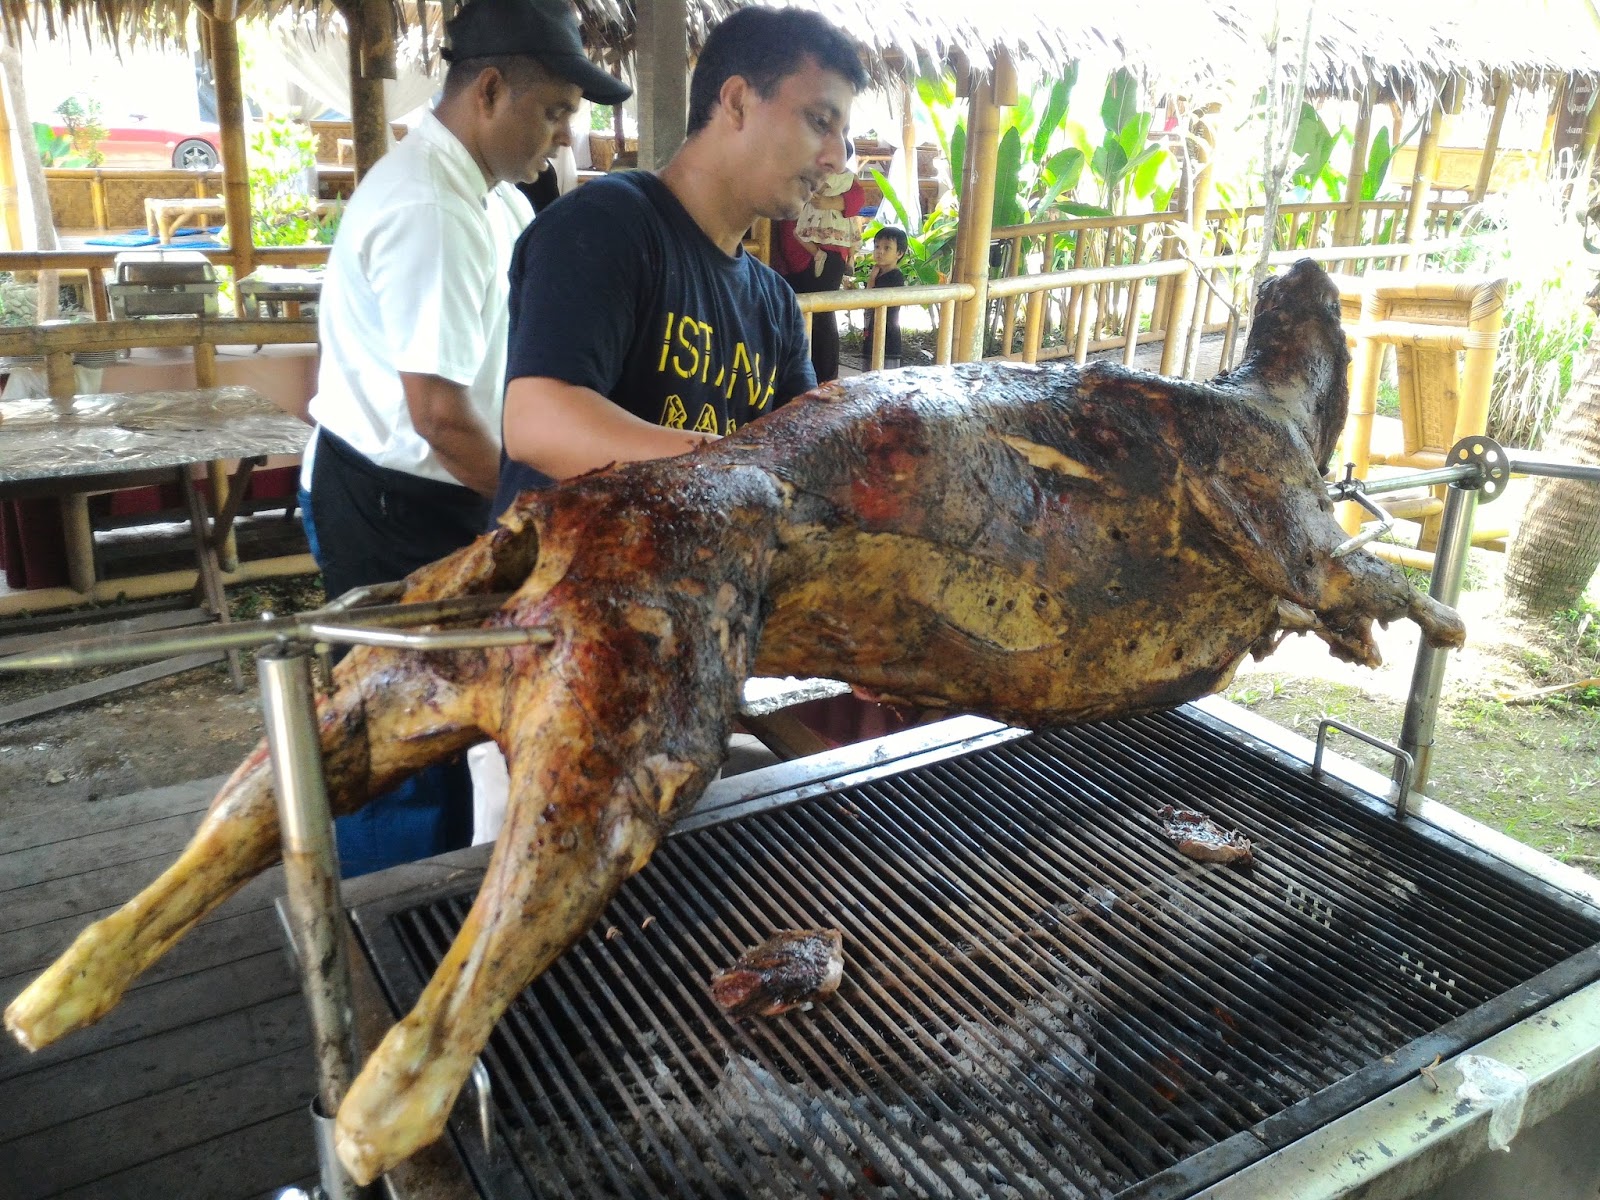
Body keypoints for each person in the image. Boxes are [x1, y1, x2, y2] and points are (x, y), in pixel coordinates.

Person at [298, 0, 631, 877]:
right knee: (400, 742)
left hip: (443, 488)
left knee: (450, 723)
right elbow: (439, 412)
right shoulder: (429, 205)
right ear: (490, 90)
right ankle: (387, 931)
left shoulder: (496, 203)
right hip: (389, 501)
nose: (563, 137)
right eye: (555, 110)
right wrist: (530, 506)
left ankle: (431, 909)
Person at [492, 5, 868, 510]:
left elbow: (800, 461)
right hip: (568, 579)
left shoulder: (775, 304)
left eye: (842, 135)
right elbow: (538, 423)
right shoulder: (606, 225)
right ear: (736, 102)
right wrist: (737, 464)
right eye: (820, 121)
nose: (837, 157)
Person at [773, 166, 866, 382]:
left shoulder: (834, 171)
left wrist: (833, 203)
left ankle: (825, 380)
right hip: (786, 259)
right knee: (794, 317)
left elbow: (857, 197)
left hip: (824, 253)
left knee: (821, 317)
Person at [861, 224, 908, 370]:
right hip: (872, 334)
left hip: (888, 338)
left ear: (899, 253)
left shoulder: (895, 277)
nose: (880, 252)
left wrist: (872, 279)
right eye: (877, 247)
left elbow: (870, 298)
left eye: (887, 248)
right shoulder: (878, 273)